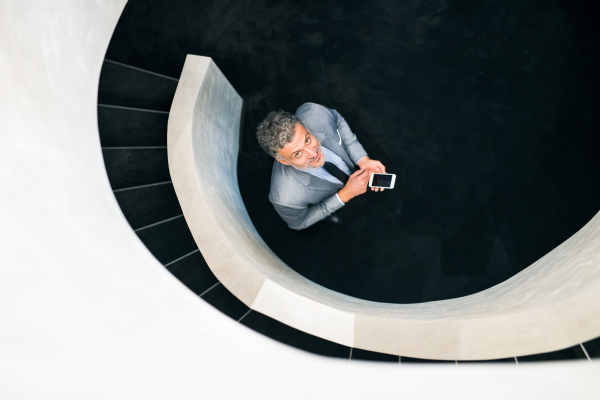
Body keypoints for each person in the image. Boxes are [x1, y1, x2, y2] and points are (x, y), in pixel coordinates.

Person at [256, 102, 386, 230]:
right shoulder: (285, 199)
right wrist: (344, 196)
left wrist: (362, 160)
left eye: (307, 140)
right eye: (298, 154)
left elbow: (337, 119)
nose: (314, 154)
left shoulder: (315, 112)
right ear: (284, 161)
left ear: (306, 128)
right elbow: (300, 223)